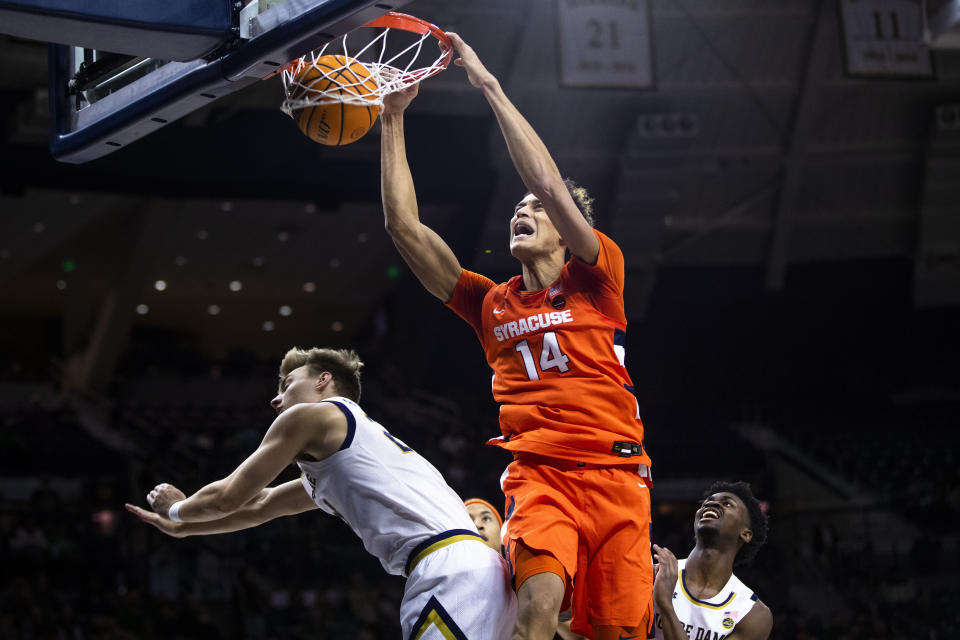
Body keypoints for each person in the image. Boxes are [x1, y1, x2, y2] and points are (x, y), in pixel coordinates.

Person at [380, 32, 653, 640]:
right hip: (539, 476)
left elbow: (553, 186)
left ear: (566, 230)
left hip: (617, 477)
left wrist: (489, 85)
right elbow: (404, 228)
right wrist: (393, 120)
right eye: (515, 208)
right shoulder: (490, 302)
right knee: (534, 613)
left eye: (534, 209)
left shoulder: (597, 278)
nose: (521, 212)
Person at [125, 347, 516, 640]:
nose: (276, 399)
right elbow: (260, 506)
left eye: (287, 384)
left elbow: (230, 495)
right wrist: (189, 530)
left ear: (323, 381)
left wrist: (178, 509)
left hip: (447, 568)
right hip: (482, 571)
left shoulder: (316, 415)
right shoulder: (351, 453)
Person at [651, 481, 773, 640]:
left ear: (746, 533)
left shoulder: (752, 614)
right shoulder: (655, 573)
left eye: (727, 504)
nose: (713, 503)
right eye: (708, 502)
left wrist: (665, 604)